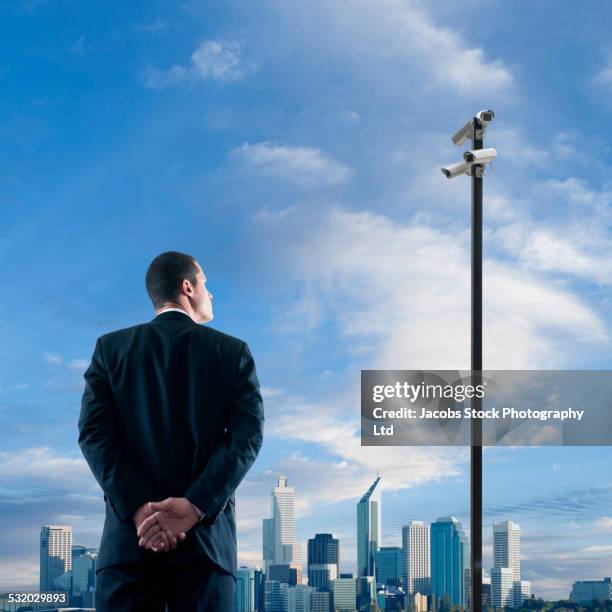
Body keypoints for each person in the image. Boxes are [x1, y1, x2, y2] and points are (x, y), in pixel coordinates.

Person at [78, 251, 264, 611]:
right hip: (206, 550)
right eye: (207, 285)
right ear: (187, 287)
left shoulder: (110, 349)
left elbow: (93, 433)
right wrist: (196, 505)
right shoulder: (232, 352)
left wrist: (137, 509)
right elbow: (247, 437)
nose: (211, 294)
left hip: (128, 547)